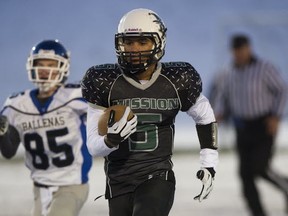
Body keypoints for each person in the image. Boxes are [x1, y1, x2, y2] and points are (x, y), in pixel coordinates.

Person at [81, 8, 218, 216]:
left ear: (158, 42)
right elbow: (93, 146)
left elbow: (205, 116)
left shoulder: (177, 79)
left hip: (157, 176)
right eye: (128, 42)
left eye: (142, 42)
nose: (134, 49)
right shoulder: (103, 81)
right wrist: (110, 140)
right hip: (118, 182)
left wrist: (209, 163)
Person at [0, 39, 92, 216]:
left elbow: (105, 111)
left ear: (63, 67)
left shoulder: (75, 96)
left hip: (72, 184)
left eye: (51, 64)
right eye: (40, 64)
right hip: (39, 187)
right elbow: (9, 152)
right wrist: (3, 134)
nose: (44, 69)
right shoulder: (17, 104)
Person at [213, 34, 288, 216]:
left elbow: (282, 90)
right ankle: (258, 213)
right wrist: (221, 114)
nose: (239, 54)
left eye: (242, 49)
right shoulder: (228, 72)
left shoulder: (264, 68)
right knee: (245, 175)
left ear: (249, 48)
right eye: (236, 50)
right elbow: (226, 98)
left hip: (262, 125)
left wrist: (276, 116)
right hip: (242, 127)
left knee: (260, 167)